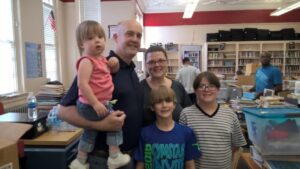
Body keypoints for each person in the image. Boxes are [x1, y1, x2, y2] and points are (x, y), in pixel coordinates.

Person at [58, 19, 144, 169]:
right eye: (130, 34)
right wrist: (100, 124)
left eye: (138, 35)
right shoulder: (98, 66)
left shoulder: (130, 70)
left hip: (129, 157)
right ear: (116, 37)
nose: (135, 39)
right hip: (102, 160)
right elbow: (63, 111)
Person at [179, 71, 246, 169]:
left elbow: (237, 146)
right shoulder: (186, 114)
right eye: (202, 86)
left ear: (218, 90)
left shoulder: (230, 115)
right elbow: (183, 148)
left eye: (211, 86)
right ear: (195, 90)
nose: (206, 90)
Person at [134, 85, 201, 169]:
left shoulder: (187, 133)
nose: (164, 105)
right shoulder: (144, 133)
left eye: (168, 100)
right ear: (152, 107)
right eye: (159, 102)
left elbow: (190, 165)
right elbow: (141, 164)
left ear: (174, 105)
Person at [141, 45, 192, 126]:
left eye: (161, 60)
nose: (157, 65)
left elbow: (189, 115)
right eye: (151, 62)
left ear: (167, 62)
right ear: (146, 65)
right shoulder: (138, 89)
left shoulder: (178, 87)